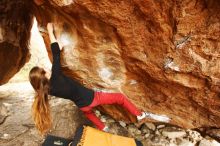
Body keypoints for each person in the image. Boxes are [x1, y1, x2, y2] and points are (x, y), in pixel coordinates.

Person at [29, 23, 148, 135]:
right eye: (44, 70)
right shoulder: (56, 75)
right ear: (45, 77)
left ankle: (103, 127)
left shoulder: (48, 90)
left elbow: (55, 54)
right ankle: (140, 115)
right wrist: (50, 30)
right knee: (120, 98)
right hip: (93, 98)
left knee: (90, 114)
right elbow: (56, 53)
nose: (46, 68)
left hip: (82, 105)